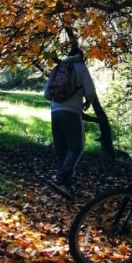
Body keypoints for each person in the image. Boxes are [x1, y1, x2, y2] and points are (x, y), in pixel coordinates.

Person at [43, 48, 96, 200]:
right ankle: (60, 180)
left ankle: (64, 186)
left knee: (61, 149)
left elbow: (46, 94)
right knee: (76, 147)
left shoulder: (58, 68)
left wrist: (58, 100)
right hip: (72, 112)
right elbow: (90, 91)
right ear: (82, 56)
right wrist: (87, 102)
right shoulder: (81, 67)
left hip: (55, 112)